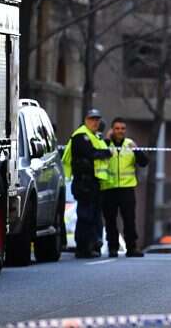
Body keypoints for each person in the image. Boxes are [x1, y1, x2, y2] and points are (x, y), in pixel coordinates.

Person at [62, 109, 112, 258]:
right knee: (85, 216)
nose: (95, 122)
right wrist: (106, 153)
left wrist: (106, 144)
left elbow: (99, 149)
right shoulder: (80, 136)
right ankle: (83, 247)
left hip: (94, 183)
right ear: (85, 120)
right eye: (92, 119)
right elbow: (92, 153)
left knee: (94, 216)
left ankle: (92, 246)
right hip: (83, 183)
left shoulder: (94, 136)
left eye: (97, 119)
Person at [99, 118, 149, 258]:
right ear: (112, 130)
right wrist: (107, 142)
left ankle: (132, 248)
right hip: (108, 188)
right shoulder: (105, 144)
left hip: (127, 188)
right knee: (110, 221)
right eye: (117, 128)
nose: (120, 131)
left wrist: (136, 150)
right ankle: (113, 248)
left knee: (129, 220)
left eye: (122, 128)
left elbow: (144, 162)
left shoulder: (129, 144)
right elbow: (100, 158)